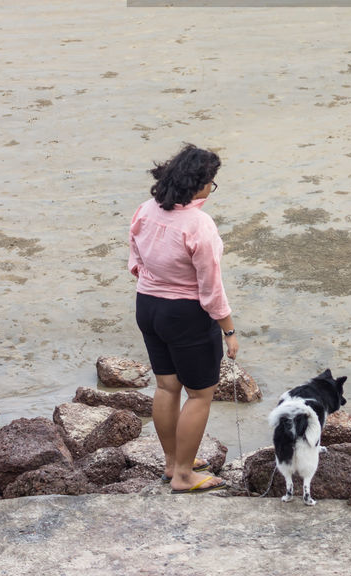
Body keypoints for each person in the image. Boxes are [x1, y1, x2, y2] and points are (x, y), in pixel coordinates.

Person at [129, 142, 238, 492]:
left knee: (166, 385)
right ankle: (184, 476)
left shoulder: (146, 209)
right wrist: (229, 329)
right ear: (200, 184)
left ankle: (173, 462)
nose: (212, 188)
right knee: (200, 394)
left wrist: (157, 283)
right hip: (185, 314)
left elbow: (136, 260)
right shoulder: (199, 224)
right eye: (212, 182)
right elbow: (211, 287)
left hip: (147, 305)